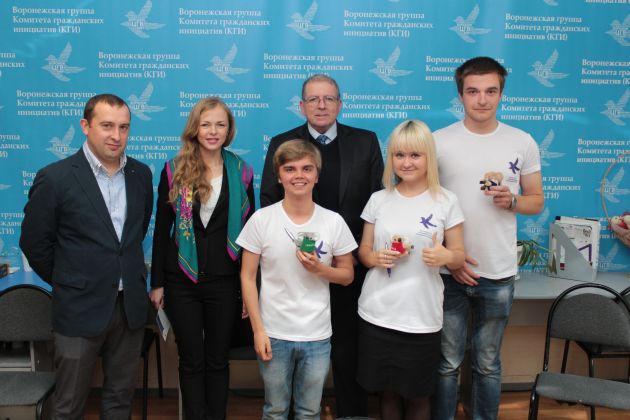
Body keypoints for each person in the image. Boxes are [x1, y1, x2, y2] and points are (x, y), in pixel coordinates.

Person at [20, 94, 153, 419]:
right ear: (85, 126)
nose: (116, 135)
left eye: (124, 127)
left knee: (120, 401)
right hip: (78, 308)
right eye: (107, 126)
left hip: (129, 309)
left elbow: (133, 236)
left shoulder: (141, 175)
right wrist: (71, 280)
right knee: (68, 405)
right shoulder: (56, 177)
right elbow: (35, 243)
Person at [260, 74, 383, 417]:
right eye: (313, 99)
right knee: (294, 351)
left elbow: (377, 204)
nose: (321, 105)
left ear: (340, 104)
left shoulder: (366, 142)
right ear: (301, 106)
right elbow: (269, 200)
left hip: (349, 266)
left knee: (348, 346)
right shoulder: (282, 142)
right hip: (295, 268)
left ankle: (351, 413)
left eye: (329, 98)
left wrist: (355, 254)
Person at [432, 57, 544, 420]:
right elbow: (424, 206)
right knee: (446, 363)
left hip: (497, 272)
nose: (482, 99)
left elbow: (536, 201)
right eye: (473, 91)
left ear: (501, 94)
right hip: (448, 273)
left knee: (487, 363)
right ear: (460, 95)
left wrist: (512, 201)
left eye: (490, 91)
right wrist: (452, 257)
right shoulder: (438, 141)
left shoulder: (522, 141)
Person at [149, 97, 254, 420]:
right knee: (191, 360)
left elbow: (251, 235)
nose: (213, 131)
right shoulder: (174, 170)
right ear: (195, 128)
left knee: (218, 360)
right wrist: (157, 283)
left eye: (220, 124)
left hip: (225, 280)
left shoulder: (242, 172)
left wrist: (249, 290)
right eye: (206, 124)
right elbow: (162, 230)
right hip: (181, 280)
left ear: (229, 129)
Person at [238, 139, 357, 420]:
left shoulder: (333, 221)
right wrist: (258, 330)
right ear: (279, 176)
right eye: (290, 169)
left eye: (306, 168)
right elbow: (247, 277)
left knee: (309, 411)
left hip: (317, 335)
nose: (299, 176)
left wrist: (320, 270)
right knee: (275, 410)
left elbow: (347, 276)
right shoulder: (261, 219)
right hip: (273, 333)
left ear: (317, 175)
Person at [356, 120, 465, 420]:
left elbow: (459, 257)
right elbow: (364, 252)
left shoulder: (446, 201)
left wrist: (445, 255)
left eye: (415, 155)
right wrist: (376, 258)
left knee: (418, 395)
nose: (406, 162)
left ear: (429, 156)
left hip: (421, 317)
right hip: (377, 313)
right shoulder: (379, 199)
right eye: (399, 155)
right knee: (387, 393)